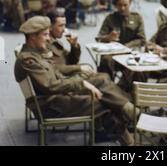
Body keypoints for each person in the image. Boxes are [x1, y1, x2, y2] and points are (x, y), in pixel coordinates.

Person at [14, 16, 135, 145]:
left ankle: (127, 124)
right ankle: (129, 133)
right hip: (51, 106)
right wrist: (80, 83)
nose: (49, 39)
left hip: (56, 98)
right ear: (33, 36)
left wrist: (79, 81)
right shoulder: (29, 60)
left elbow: (55, 75)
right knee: (104, 100)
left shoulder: (35, 54)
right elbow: (50, 85)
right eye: (45, 35)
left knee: (102, 90)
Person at [96, 0, 146, 79]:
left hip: (130, 53)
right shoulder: (110, 18)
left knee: (137, 67)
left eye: (125, 5)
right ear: (116, 5)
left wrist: (126, 47)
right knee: (106, 60)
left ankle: (125, 88)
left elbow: (142, 39)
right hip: (112, 55)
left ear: (130, 4)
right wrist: (108, 37)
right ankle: (108, 85)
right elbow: (98, 38)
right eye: (119, 5)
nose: (122, 8)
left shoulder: (137, 18)